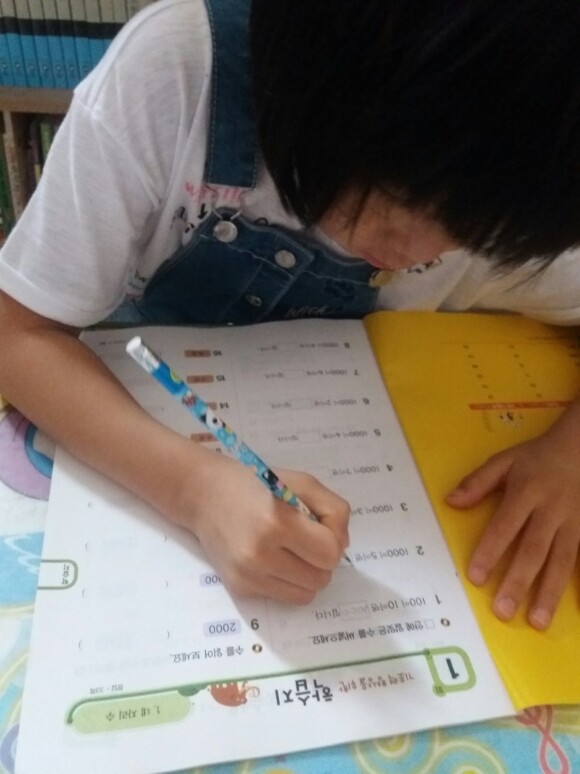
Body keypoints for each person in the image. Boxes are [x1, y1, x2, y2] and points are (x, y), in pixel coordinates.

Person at [1, 0, 579, 629]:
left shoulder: (529, 168)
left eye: (469, 236)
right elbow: (17, 333)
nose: (413, 253)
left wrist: (569, 455)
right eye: (398, 198)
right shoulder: (175, 74)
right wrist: (192, 488)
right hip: (131, 434)